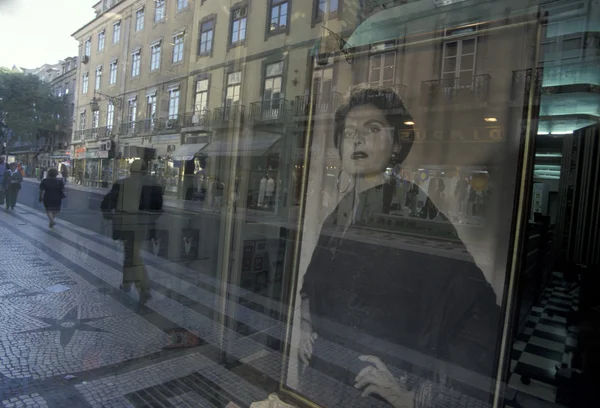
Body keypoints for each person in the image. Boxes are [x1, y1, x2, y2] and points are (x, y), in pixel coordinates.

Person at [298, 86, 500, 407]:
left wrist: (418, 398)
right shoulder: (339, 213)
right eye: (349, 132)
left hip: (375, 393)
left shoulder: (414, 208)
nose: (358, 139)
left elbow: (477, 310)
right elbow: (312, 287)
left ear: (395, 143)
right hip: (323, 382)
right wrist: (304, 329)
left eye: (372, 129)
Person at [101, 160, 163, 305]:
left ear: (130, 170)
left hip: (126, 224)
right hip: (143, 225)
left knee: (133, 256)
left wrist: (111, 215)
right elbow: (158, 208)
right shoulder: (153, 186)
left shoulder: (121, 184)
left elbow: (106, 202)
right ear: (145, 171)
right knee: (131, 254)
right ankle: (127, 283)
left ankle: (144, 289)